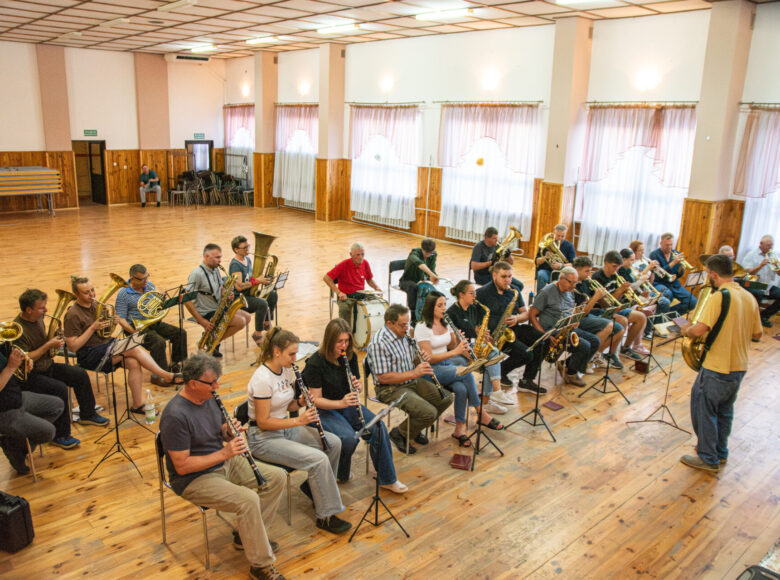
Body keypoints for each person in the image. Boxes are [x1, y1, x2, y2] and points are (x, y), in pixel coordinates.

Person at [159, 353, 286, 580]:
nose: (217, 386)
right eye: (212, 382)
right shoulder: (175, 416)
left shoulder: (208, 398)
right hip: (194, 478)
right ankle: (260, 565)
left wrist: (229, 432)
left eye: (217, 380)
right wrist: (224, 452)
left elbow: (220, 434)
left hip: (222, 460)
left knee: (277, 477)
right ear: (193, 384)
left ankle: (244, 536)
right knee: (248, 500)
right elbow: (182, 466)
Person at [246, 327, 350, 534]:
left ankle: (316, 491)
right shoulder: (262, 379)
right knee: (318, 459)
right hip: (263, 438)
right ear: (276, 351)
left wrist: (301, 401)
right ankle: (326, 516)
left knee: (334, 443)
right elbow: (264, 421)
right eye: (291, 354)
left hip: (284, 429)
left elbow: (289, 406)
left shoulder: (286, 370)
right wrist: (299, 421)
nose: (295, 358)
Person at [302, 318, 407, 493]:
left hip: (346, 403)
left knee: (378, 427)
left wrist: (356, 385)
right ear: (329, 341)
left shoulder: (348, 356)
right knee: (348, 438)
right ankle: (340, 473)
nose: (344, 345)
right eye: (339, 342)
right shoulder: (315, 363)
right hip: (323, 409)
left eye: (346, 341)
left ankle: (387, 479)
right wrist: (341, 403)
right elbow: (315, 399)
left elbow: (356, 380)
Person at [678, 255, 762, 472]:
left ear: (713, 274)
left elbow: (698, 330)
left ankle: (707, 458)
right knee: (725, 411)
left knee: (703, 410)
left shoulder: (719, 296)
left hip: (717, 365)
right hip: (739, 366)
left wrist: (685, 329)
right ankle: (720, 453)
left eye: (707, 273)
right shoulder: (749, 297)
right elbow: (758, 334)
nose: (708, 277)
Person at [64, 275, 182, 413]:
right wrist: (92, 328)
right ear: (76, 294)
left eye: (92, 290)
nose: (92, 294)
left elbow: (106, 333)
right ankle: (165, 375)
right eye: (86, 292)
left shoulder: (96, 305)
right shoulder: (73, 314)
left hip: (105, 346)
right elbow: (73, 347)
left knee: (133, 363)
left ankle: (137, 405)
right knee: (133, 349)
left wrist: (111, 324)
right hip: (89, 354)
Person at [14, 289, 109, 428]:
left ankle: (88, 415)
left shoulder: (38, 317)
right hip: (31, 374)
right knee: (59, 388)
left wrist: (58, 336)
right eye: (42, 308)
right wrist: (48, 345)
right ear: (28, 310)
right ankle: (61, 434)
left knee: (79, 374)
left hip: (47, 365)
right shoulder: (18, 329)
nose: (46, 310)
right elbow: (25, 358)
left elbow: (42, 340)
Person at [366, 304, 453, 455]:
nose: (407, 328)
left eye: (408, 323)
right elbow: (383, 377)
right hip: (389, 388)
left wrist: (420, 359)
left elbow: (411, 361)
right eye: (402, 325)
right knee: (429, 413)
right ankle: (400, 433)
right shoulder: (379, 343)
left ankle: (414, 427)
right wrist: (415, 372)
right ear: (389, 324)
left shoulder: (404, 335)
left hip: (410, 381)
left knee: (446, 398)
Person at [415, 291, 500, 445]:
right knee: (466, 373)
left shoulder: (445, 322)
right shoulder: (422, 327)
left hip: (446, 366)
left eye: (444, 305)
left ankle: (459, 429)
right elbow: (429, 357)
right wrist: (456, 351)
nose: (443, 309)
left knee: (461, 390)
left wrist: (455, 339)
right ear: (430, 307)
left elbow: (450, 346)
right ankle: (481, 412)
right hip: (429, 369)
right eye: (439, 305)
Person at [476, 261, 545, 395]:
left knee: (542, 340)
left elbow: (525, 314)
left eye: (510, 276)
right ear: (494, 275)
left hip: (511, 329)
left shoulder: (514, 290)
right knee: (526, 354)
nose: (507, 280)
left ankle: (527, 380)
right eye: (504, 276)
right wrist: (481, 333)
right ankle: (500, 371)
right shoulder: (482, 293)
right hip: (495, 335)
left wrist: (516, 318)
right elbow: (473, 319)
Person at [445, 280, 511, 415]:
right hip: (457, 352)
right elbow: (450, 343)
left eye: (475, 292)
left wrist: (481, 333)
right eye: (471, 293)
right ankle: (489, 399)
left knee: (493, 353)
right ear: (461, 295)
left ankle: (491, 397)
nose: (475, 296)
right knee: (490, 359)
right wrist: (466, 352)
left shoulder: (473, 308)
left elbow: (475, 328)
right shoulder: (451, 313)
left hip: (472, 345)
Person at [115, 264, 188, 382]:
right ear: (132, 278)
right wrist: (134, 332)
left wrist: (161, 301)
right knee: (158, 342)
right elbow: (121, 318)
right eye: (142, 279)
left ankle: (175, 365)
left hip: (152, 322)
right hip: (135, 327)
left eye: (146, 277)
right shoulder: (123, 293)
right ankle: (160, 376)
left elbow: (156, 308)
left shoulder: (149, 286)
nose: (146, 281)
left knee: (180, 333)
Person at [529, 267, 599, 387]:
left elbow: (569, 310)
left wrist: (574, 320)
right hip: (552, 330)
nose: (573, 286)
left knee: (595, 341)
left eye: (575, 282)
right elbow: (532, 315)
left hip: (567, 327)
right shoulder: (546, 292)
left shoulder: (570, 291)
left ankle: (567, 366)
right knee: (584, 346)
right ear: (561, 279)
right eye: (570, 282)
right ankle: (571, 373)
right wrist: (544, 335)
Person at [0, 347, 66, 474]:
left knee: (57, 405)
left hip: (17, 397)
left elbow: (12, 369)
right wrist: (11, 367)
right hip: (4, 411)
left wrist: (24, 364)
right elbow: (8, 368)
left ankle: (15, 444)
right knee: (49, 432)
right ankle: (15, 446)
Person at [186, 243, 251, 358]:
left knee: (247, 317)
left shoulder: (215, 269)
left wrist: (226, 294)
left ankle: (211, 341)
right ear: (207, 257)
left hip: (217, 308)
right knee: (240, 322)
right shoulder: (197, 274)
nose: (220, 260)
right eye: (217, 257)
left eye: (220, 257)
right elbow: (186, 300)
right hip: (206, 312)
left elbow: (220, 288)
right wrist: (201, 320)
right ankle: (210, 342)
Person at [591, 251, 648, 359]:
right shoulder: (598, 277)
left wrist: (635, 292)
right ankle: (610, 354)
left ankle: (625, 348)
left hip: (616, 307)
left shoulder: (615, 275)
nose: (616, 270)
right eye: (614, 266)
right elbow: (606, 304)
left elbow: (620, 297)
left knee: (641, 317)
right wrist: (620, 290)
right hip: (602, 310)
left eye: (618, 267)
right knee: (622, 321)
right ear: (606, 263)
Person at [572, 256, 626, 370]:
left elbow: (604, 305)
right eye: (586, 271)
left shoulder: (587, 282)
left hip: (591, 313)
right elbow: (581, 313)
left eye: (590, 271)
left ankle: (596, 354)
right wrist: (596, 297)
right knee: (609, 326)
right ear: (577, 270)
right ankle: (585, 360)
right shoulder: (573, 285)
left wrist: (602, 296)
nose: (589, 274)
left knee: (620, 329)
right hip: (578, 319)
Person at [229, 236, 278, 343]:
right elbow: (239, 286)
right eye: (244, 247)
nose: (248, 249)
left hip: (250, 294)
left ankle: (266, 323)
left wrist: (264, 278)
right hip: (240, 299)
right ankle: (258, 334)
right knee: (262, 303)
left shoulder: (247, 259)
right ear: (236, 250)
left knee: (272, 294)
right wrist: (257, 281)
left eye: (248, 246)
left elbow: (251, 278)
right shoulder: (235, 265)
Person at [323, 242, 382, 326]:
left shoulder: (365, 263)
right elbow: (326, 278)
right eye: (357, 255)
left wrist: (377, 288)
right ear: (351, 254)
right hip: (346, 296)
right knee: (344, 309)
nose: (360, 257)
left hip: (361, 294)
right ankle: (345, 331)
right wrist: (338, 292)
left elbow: (369, 279)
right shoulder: (343, 265)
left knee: (378, 302)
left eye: (362, 254)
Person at [618, 248, 671, 342]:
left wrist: (643, 291)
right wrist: (641, 281)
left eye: (634, 260)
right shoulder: (621, 270)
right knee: (655, 304)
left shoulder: (629, 269)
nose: (633, 262)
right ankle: (646, 332)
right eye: (631, 260)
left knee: (660, 302)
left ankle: (649, 330)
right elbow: (629, 287)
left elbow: (636, 285)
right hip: (628, 299)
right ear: (623, 259)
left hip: (637, 295)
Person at [649, 233, 697, 314]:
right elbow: (658, 274)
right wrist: (673, 263)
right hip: (659, 283)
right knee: (668, 294)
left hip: (674, 284)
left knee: (692, 302)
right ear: (661, 244)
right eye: (667, 245)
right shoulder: (654, 254)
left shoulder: (676, 253)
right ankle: (662, 315)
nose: (669, 247)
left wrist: (681, 268)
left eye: (671, 245)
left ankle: (669, 314)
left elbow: (678, 275)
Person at [741, 235, 780, 328]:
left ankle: (764, 316)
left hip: (767, 286)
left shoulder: (773, 255)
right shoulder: (751, 254)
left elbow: (778, 273)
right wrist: (760, 265)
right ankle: (754, 321)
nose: (770, 248)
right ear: (761, 244)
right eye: (768, 245)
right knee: (758, 293)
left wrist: (778, 268)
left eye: (771, 246)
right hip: (752, 283)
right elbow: (747, 272)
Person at [470, 227, 523, 291]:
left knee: (520, 286)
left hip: (497, 274)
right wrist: (490, 263)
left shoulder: (497, 245)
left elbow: (511, 262)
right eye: (494, 238)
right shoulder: (478, 247)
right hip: (483, 276)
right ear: (486, 238)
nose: (497, 240)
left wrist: (508, 255)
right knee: (506, 288)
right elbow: (474, 266)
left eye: (497, 238)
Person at [630, 240, 675, 315]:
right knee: (663, 301)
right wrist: (648, 268)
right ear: (633, 251)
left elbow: (650, 281)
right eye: (640, 250)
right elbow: (636, 278)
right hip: (638, 293)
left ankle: (656, 322)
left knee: (666, 302)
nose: (642, 252)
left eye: (643, 250)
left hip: (647, 290)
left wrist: (653, 271)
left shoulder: (644, 261)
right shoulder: (631, 263)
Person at [399, 238, 438, 322]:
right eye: (427, 253)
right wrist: (431, 274)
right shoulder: (414, 253)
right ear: (422, 249)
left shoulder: (433, 254)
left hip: (421, 281)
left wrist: (434, 277)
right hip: (407, 281)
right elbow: (419, 263)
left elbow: (432, 269)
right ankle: (413, 316)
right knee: (413, 287)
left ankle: (428, 314)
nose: (429, 255)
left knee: (433, 288)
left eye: (431, 253)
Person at [534, 224, 577, 292]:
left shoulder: (569, 245)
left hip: (562, 273)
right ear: (554, 233)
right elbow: (537, 261)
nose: (560, 238)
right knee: (541, 275)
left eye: (562, 236)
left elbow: (574, 264)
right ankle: (540, 297)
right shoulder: (546, 244)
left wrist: (561, 265)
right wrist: (545, 257)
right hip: (546, 271)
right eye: (558, 235)